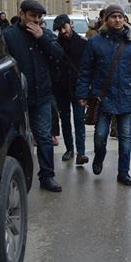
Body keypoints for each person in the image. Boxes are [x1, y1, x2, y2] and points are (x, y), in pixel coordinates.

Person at [76, 4, 131, 186]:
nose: (117, 20)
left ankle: (123, 171)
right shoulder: (95, 42)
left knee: (125, 137)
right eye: (113, 17)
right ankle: (98, 158)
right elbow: (85, 70)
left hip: (125, 96)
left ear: (124, 19)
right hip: (102, 97)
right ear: (106, 19)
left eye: (120, 16)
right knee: (101, 135)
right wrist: (82, 93)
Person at [3, 0, 65, 192]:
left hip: (42, 96)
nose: (36, 21)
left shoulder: (45, 35)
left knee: (45, 137)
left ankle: (47, 176)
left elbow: (59, 55)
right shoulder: (8, 36)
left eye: (39, 17)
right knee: (15, 140)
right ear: (21, 14)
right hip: (17, 97)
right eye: (32, 16)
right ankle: (15, 179)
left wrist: (42, 38)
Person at [51, 14, 88, 166]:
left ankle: (81, 152)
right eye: (60, 29)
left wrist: (87, 87)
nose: (63, 31)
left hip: (78, 88)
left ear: (70, 24)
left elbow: (88, 67)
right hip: (62, 89)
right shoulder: (56, 44)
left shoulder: (83, 43)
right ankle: (69, 149)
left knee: (79, 120)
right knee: (65, 121)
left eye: (64, 27)